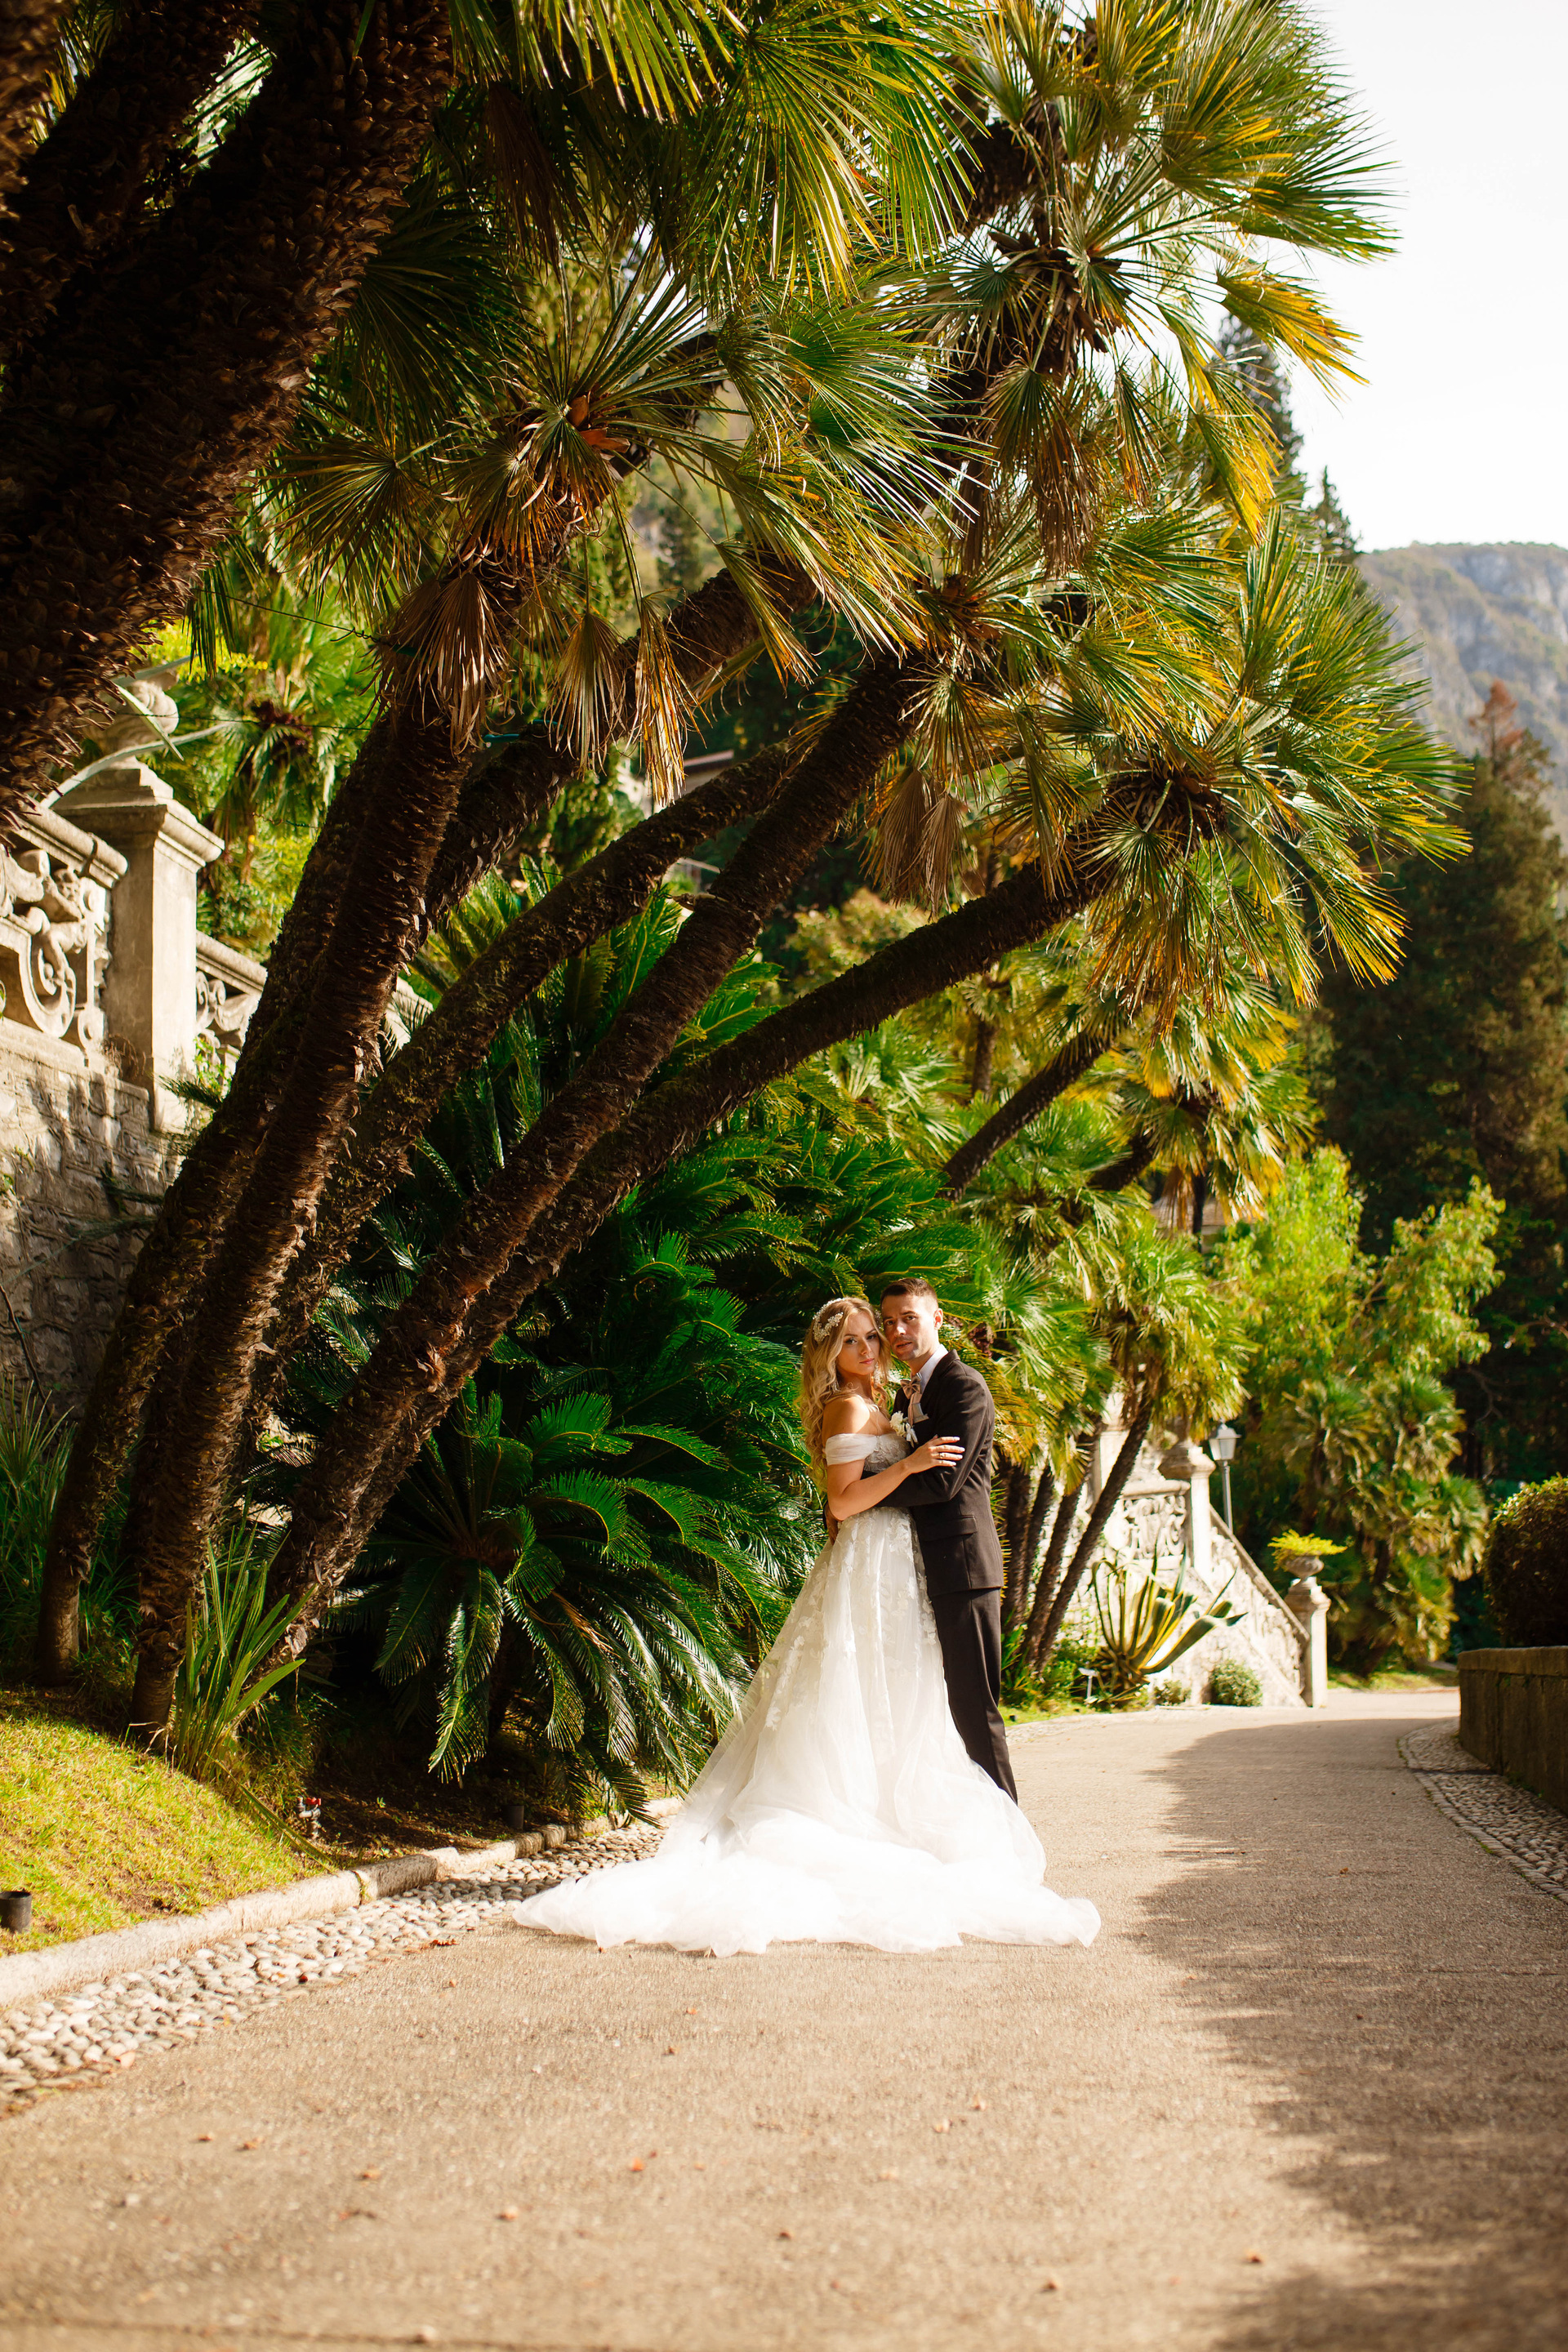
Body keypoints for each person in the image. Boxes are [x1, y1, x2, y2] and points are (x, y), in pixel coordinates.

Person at [510, 1295, 1100, 1956]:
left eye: (872, 1336)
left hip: (896, 1567)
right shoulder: (848, 1407)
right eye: (853, 1341)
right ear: (830, 1355)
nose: (870, 1348)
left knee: (901, 1692)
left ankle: (913, 1819)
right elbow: (843, 1501)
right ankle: (871, 1818)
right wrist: (908, 1463)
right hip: (872, 1563)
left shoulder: (889, 1401)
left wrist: (902, 1463)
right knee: (864, 1683)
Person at [877, 1277, 1017, 1797]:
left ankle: (1009, 1830)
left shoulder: (964, 1387)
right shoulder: (906, 1392)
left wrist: (864, 1494)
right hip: (918, 1568)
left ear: (937, 1319)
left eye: (909, 1318)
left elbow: (943, 1482)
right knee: (932, 1709)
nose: (897, 1330)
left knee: (974, 1708)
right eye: (889, 1322)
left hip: (963, 1567)